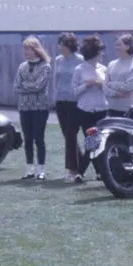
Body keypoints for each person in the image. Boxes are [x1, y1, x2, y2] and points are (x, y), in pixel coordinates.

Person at [14, 35, 51, 180]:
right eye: (24, 49)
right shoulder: (22, 66)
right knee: (27, 139)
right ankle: (29, 169)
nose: (25, 52)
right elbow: (16, 86)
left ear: (35, 50)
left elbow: (39, 86)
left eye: (27, 49)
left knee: (38, 138)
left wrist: (26, 86)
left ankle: (41, 169)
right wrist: (30, 86)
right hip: (24, 107)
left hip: (39, 108)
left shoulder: (45, 66)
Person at [72, 34, 107, 182]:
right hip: (85, 109)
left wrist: (101, 85)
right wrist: (87, 84)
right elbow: (74, 91)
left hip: (101, 109)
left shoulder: (104, 69)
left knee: (100, 141)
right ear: (94, 53)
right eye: (100, 52)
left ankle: (97, 171)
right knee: (90, 141)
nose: (102, 55)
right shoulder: (79, 69)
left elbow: (109, 89)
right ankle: (84, 171)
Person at [53, 33, 84, 183]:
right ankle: (79, 165)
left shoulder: (80, 60)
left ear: (69, 46)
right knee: (67, 135)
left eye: (62, 44)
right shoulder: (58, 60)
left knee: (71, 134)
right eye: (59, 44)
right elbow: (56, 79)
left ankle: (72, 170)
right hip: (61, 101)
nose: (60, 47)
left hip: (75, 102)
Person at [104, 33, 133, 116]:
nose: (116, 48)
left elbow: (128, 86)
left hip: (129, 109)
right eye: (116, 45)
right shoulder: (111, 64)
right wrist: (117, 94)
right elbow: (105, 87)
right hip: (112, 107)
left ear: (128, 47)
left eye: (119, 45)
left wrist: (111, 84)